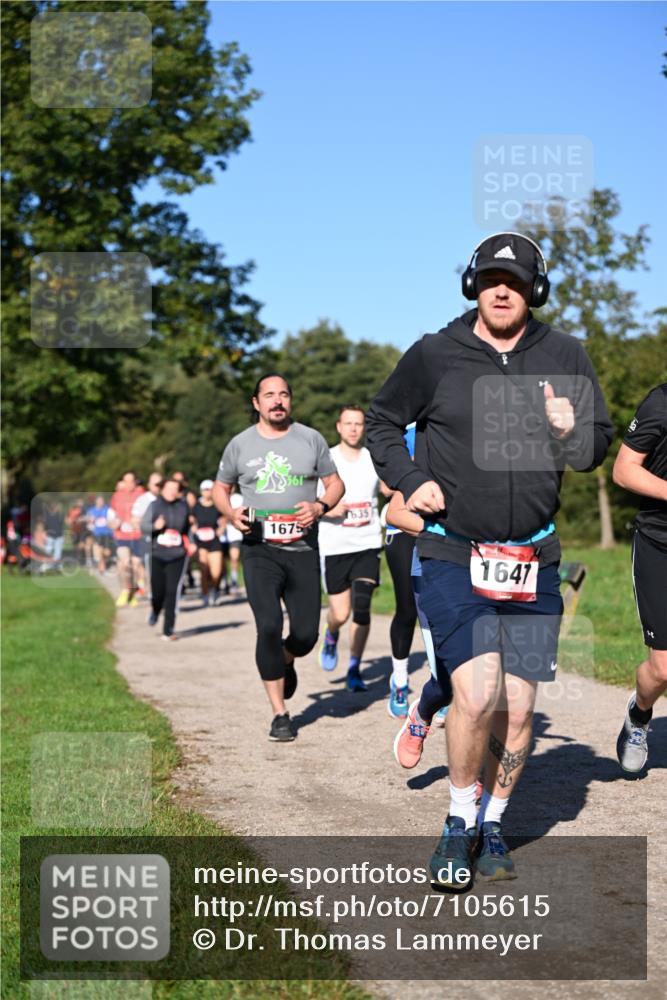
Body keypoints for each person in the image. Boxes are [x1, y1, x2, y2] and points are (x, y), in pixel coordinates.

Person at [366, 231, 613, 886]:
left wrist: (571, 428)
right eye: (488, 279)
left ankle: (494, 822)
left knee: (521, 708)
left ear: (534, 289)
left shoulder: (563, 355)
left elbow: (595, 449)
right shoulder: (434, 355)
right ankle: (456, 821)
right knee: (475, 694)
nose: (500, 289)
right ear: (471, 285)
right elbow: (382, 421)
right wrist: (409, 475)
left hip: (533, 557)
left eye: (514, 279)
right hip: (454, 551)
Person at [213, 373, 344, 742]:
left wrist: (319, 506)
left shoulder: (311, 439)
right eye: (269, 395)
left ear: (290, 400)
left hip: (302, 549)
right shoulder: (239, 445)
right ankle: (280, 714)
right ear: (256, 402)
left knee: (305, 634)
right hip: (259, 550)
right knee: (268, 625)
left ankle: (287, 658)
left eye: (283, 394)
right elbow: (221, 490)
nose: (277, 401)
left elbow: (336, 484)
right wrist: (229, 513)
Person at [612, 383, 667, 773]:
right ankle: (640, 714)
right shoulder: (661, 401)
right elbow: (624, 470)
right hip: (659, 543)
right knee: (663, 669)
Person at [385, 489, 454, 768]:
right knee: (447, 682)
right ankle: (423, 711)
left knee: (490, 682)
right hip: (435, 567)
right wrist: (455, 532)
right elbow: (395, 513)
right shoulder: (430, 447)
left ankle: (474, 775)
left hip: (494, 570)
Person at [317, 405, 383, 692]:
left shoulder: (373, 459)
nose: (354, 428)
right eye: (349, 423)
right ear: (339, 427)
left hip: (367, 542)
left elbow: (389, 488)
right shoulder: (326, 459)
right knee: (341, 614)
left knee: (363, 606)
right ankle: (331, 633)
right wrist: (327, 510)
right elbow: (309, 499)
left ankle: (354, 667)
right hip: (335, 545)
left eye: (359, 423)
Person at [143, 477, 192, 640]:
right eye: (169, 487)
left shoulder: (183, 506)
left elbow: (189, 528)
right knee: (158, 592)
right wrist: (154, 527)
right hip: (157, 554)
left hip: (178, 554)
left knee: (173, 591)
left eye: (175, 488)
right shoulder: (154, 505)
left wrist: (192, 542)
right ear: (162, 489)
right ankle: (155, 610)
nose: (172, 491)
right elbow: (143, 527)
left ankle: (168, 630)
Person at [109, 472, 145, 607]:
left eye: (131, 481)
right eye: (126, 481)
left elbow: (149, 514)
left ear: (135, 482)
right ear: (123, 482)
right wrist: (114, 523)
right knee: (125, 563)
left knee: (135, 566)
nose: (129, 484)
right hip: (122, 536)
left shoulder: (141, 495)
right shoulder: (117, 496)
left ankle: (133, 593)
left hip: (137, 536)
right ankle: (125, 590)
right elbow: (111, 517)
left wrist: (140, 522)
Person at [193, 479, 226, 606]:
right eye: (205, 489)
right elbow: (191, 520)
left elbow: (224, 519)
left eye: (210, 489)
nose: (208, 492)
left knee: (216, 572)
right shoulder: (196, 506)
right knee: (204, 569)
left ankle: (214, 590)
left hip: (214, 540)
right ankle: (205, 593)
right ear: (201, 491)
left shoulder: (218, 505)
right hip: (201, 541)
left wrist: (221, 528)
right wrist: (193, 527)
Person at [85, 495, 114, 573]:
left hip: (107, 533)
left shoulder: (107, 510)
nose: (101, 502)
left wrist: (110, 523)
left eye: (102, 501)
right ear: (96, 502)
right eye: (99, 501)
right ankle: (101, 565)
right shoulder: (91, 511)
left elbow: (112, 520)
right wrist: (91, 521)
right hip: (97, 533)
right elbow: (88, 522)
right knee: (99, 549)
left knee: (107, 552)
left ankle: (102, 562)